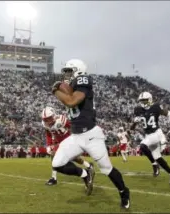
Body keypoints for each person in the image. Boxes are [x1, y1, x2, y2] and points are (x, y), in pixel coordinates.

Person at [51, 59, 130, 209]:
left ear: (78, 71)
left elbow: (71, 101)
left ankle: (124, 192)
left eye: (69, 71)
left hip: (91, 135)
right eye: (66, 71)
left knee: (107, 169)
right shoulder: (75, 85)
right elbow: (70, 95)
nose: (67, 74)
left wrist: (56, 90)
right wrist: (63, 87)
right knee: (57, 163)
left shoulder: (84, 80)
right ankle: (85, 174)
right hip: (75, 136)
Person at [130, 91, 170, 184]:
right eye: (141, 101)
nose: (142, 103)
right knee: (158, 157)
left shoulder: (156, 107)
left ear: (149, 100)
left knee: (142, 146)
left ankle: (154, 164)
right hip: (148, 135)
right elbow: (132, 128)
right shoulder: (138, 110)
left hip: (157, 133)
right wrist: (135, 122)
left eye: (144, 101)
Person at [41, 106, 93, 185]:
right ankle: (54, 178)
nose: (47, 121)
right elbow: (48, 134)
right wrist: (49, 144)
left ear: (54, 115)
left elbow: (73, 127)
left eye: (49, 118)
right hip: (59, 142)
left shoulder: (61, 119)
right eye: (45, 119)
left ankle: (88, 167)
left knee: (74, 158)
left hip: (68, 140)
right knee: (54, 156)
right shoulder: (45, 124)